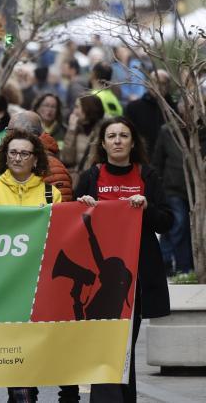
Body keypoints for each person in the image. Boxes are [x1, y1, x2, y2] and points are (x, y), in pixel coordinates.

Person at [75, 117, 171, 402]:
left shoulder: (147, 176)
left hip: (136, 279)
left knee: (124, 344)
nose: (117, 141)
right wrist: (83, 208)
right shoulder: (91, 176)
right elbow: (71, 223)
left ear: (132, 142)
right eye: (112, 136)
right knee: (107, 344)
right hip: (100, 278)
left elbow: (166, 221)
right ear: (103, 143)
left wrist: (147, 207)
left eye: (123, 135)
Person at [0, 129, 61, 402]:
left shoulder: (50, 193)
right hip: (4, 280)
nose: (18, 158)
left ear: (36, 159)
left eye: (24, 153)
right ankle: (22, 394)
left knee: (33, 344)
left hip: (39, 280)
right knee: (13, 342)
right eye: (13, 153)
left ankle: (23, 394)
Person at [152, 125, 202, 275]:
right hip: (172, 188)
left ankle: (165, 262)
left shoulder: (201, 131)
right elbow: (158, 160)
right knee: (178, 225)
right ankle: (183, 268)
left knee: (177, 228)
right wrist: (155, 186)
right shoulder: (168, 131)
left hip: (197, 189)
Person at [8, 111, 73, 202]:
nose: (6, 135)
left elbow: (61, 208)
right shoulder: (10, 158)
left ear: (27, 133)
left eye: (10, 131)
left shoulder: (52, 167)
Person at [61, 95, 105, 182]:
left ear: (88, 108)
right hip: (77, 179)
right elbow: (67, 159)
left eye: (77, 107)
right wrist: (71, 131)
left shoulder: (103, 131)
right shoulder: (75, 129)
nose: (74, 111)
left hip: (94, 179)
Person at [124, 69, 169, 153]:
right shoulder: (133, 108)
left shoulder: (173, 109)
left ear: (168, 86)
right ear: (148, 83)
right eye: (155, 82)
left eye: (162, 83)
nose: (158, 86)